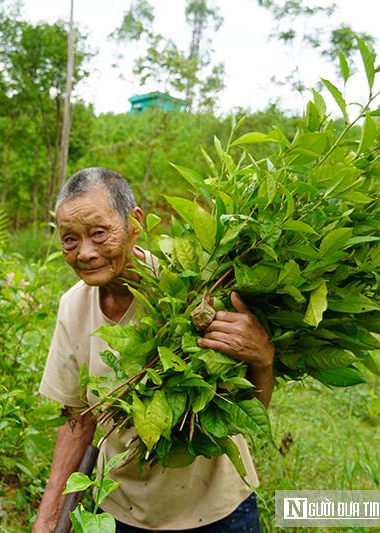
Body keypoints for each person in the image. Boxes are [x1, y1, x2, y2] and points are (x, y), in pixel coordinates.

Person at [32, 168, 275, 533]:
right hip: (119, 510)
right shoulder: (73, 306)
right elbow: (77, 419)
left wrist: (263, 356)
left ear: (135, 223)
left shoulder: (191, 287)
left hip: (218, 511)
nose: (85, 252)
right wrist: (49, 519)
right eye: (70, 239)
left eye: (99, 233)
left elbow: (248, 406)